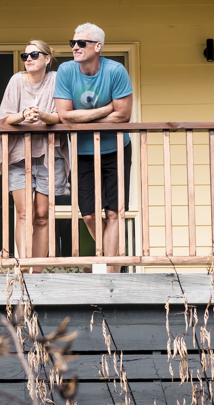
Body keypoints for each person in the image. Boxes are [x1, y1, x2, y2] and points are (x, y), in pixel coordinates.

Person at [53, 23, 133, 273]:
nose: (75, 47)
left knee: (114, 212)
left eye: (81, 43)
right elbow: (64, 116)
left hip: (117, 149)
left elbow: (124, 116)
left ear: (98, 47)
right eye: (72, 43)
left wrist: (83, 117)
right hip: (83, 152)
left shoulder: (115, 71)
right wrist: (106, 109)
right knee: (88, 214)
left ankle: (112, 275)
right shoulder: (66, 70)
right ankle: (114, 256)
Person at [0, 40, 70, 272]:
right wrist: (24, 115)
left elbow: (62, 117)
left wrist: (43, 115)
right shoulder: (16, 80)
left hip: (49, 153)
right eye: (25, 56)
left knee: (43, 215)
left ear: (47, 58)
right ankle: (24, 269)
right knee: (24, 212)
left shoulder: (56, 80)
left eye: (34, 55)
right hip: (18, 155)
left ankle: (38, 271)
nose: (29, 59)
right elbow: (4, 119)